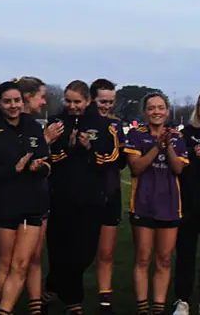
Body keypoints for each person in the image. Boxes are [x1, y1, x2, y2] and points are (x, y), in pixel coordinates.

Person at [44, 80, 117, 315]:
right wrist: (67, 148)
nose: (73, 106)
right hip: (60, 197)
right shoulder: (56, 122)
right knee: (60, 250)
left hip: (91, 199)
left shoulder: (101, 124)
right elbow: (46, 158)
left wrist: (89, 149)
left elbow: (110, 159)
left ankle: (52, 285)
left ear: (88, 101)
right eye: (69, 101)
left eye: (77, 101)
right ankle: (73, 302)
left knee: (84, 254)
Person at [0, 81, 50, 315]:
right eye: (7, 101)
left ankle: (3, 310)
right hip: (2, 203)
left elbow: (46, 162)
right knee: (6, 263)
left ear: (23, 102)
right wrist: (15, 168)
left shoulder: (33, 125)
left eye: (16, 101)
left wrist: (38, 166)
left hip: (33, 204)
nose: (13, 106)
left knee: (21, 263)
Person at [125, 92, 188, 315]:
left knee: (163, 259)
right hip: (143, 203)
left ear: (167, 110)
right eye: (151, 108)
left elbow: (178, 168)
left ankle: (158, 307)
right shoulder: (135, 134)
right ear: (144, 112)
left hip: (169, 205)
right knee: (143, 258)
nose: (156, 112)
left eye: (160, 107)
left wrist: (167, 146)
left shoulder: (177, 138)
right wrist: (156, 147)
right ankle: (143, 306)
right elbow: (136, 168)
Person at [15, 76, 59, 315]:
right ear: (28, 97)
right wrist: (45, 140)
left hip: (39, 196)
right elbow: (16, 157)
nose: (43, 102)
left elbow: (42, 162)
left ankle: (35, 306)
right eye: (41, 96)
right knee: (14, 260)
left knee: (34, 256)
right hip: (15, 199)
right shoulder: (15, 124)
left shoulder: (32, 123)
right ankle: (1, 305)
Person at [89, 79, 126, 315]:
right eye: (103, 101)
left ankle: (105, 298)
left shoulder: (117, 125)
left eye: (111, 102)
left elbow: (121, 161)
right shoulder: (83, 122)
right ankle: (63, 292)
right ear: (92, 99)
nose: (107, 106)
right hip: (84, 193)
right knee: (78, 249)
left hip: (111, 192)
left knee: (107, 251)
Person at [173, 90, 200, 315]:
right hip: (187, 205)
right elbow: (178, 167)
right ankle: (182, 300)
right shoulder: (186, 133)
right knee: (185, 254)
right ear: (197, 109)